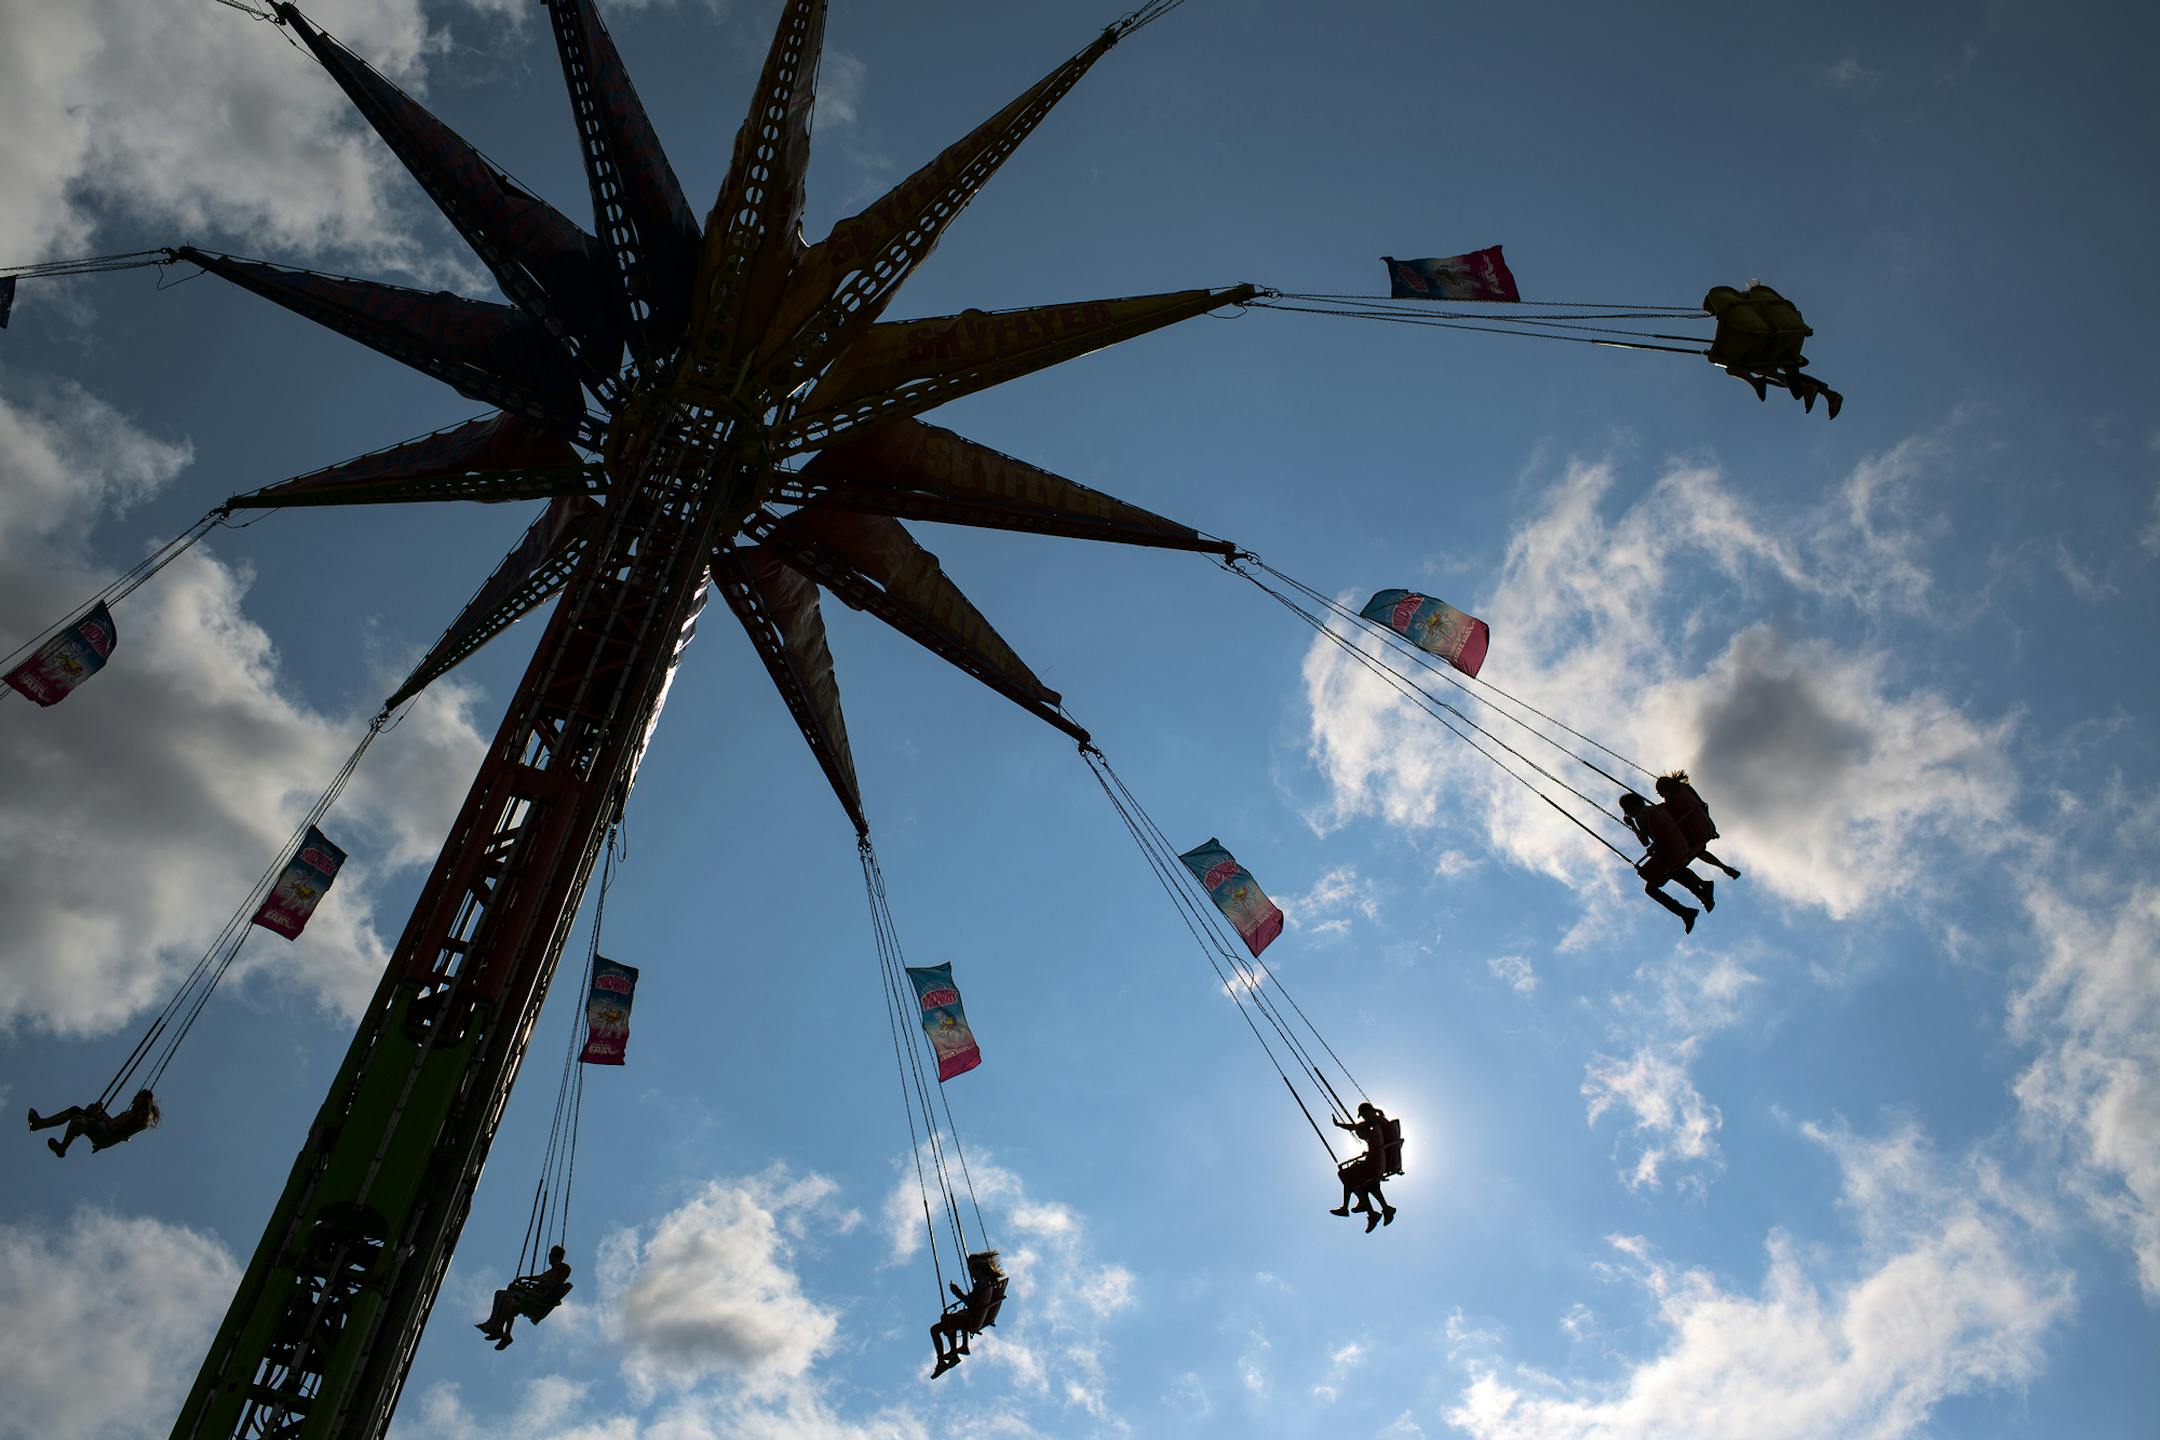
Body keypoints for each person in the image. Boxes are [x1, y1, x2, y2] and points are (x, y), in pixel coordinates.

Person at [1619, 792, 1716, 932]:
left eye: (1625, 809)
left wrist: (1633, 826)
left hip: (1670, 852)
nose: (1626, 813)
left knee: (1650, 888)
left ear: (1632, 806)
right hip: (1682, 847)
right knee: (1671, 870)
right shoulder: (1656, 809)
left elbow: (1645, 842)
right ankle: (1702, 888)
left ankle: (1685, 912)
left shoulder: (1641, 817)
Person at [476, 1245, 573, 1350]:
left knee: (506, 1299)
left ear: (559, 1258)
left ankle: (498, 1328)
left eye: (553, 1255)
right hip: (531, 1296)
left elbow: (549, 1285)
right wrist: (524, 1278)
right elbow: (539, 1278)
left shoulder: (559, 1273)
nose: (549, 1257)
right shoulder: (551, 1272)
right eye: (550, 1255)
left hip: (535, 1300)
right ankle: (493, 1324)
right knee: (499, 1293)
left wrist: (531, 1288)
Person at [931, 1250, 1007, 1377]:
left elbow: (970, 1303)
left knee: (935, 1329)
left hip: (973, 1319)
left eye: (973, 1271)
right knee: (954, 1318)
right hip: (978, 1317)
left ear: (980, 1270)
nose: (972, 1274)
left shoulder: (981, 1283)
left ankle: (942, 1361)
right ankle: (959, 1349)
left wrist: (957, 1293)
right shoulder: (989, 1282)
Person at [1654, 772, 1741, 880]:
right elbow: (1702, 805)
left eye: (1660, 793)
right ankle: (1725, 868)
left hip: (1693, 828)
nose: (1661, 795)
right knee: (1699, 851)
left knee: (1692, 852)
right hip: (1704, 823)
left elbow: (1674, 815)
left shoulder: (1671, 798)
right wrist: (1710, 824)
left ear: (1664, 789)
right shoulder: (1685, 788)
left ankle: (1723, 868)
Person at [27, 1089, 158, 1157]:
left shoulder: (135, 1119)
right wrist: (97, 1112)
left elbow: (115, 1128)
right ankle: (40, 1124)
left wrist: (102, 1112)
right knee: (76, 1110)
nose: (134, 1099)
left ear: (142, 1101)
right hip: (103, 1129)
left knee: (77, 1121)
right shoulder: (131, 1115)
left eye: (137, 1097)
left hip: (105, 1134)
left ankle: (62, 1148)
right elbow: (113, 1125)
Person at [1329, 1101, 1397, 1232]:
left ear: (1369, 1112)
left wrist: (1339, 1125)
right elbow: (1358, 1128)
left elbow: (1356, 1127)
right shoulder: (1378, 1123)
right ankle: (1383, 1209)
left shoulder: (1376, 1123)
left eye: (1364, 1116)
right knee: (1366, 1183)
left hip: (1377, 1163)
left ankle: (1361, 1209)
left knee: (1346, 1175)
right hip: (1381, 1161)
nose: (1364, 1119)